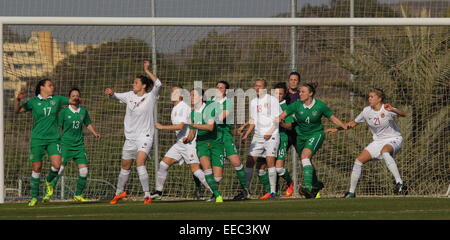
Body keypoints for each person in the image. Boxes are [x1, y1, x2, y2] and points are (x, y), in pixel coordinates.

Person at [326, 88, 408, 198]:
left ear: (379, 99)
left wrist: (393, 109)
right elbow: (353, 123)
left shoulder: (387, 108)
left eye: (372, 96)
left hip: (394, 139)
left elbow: (404, 114)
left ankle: (399, 183)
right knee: (358, 161)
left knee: (385, 152)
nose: (369, 98)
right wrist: (337, 129)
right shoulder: (366, 111)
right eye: (369, 96)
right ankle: (351, 192)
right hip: (378, 141)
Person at [14, 78, 80, 207]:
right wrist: (18, 99)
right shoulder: (33, 102)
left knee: (57, 165)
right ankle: (34, 197)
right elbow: (18, 111)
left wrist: (76, 99)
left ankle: (49, 182)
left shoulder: (57, 99)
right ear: (42, 87)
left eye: (53, 85)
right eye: (50, 85)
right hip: (37, 139)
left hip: (53, 139)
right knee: (37, 168)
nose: (53, 87)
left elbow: (72, 100)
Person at [104, 61, 161, 205]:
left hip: (145, 137)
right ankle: (119, 193)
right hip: (130, 139)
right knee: (125, 166)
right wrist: (110, 93)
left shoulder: (150, 96)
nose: (133, 84)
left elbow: (159, 84)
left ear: (144, 86)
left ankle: (147, 195)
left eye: (136, 82)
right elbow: (115, 96)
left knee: (140, 162)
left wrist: (147, 70)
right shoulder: (129, 95)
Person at [279, 82, 348, 198]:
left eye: (303, 92)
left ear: (310, 94)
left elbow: (332, 118)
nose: (300, 94)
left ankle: (308, 188)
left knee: (305, 157)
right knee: (306, 161)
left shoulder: (320, 105)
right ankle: (316, 184)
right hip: (300, 137)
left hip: (316, 134)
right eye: (299, 91)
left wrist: (343, 125)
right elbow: (282, 116)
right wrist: (278, 122)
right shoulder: (296, 105)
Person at [150, 86, 212, 200]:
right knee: (163, 164)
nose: (172, 93)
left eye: (176, 91)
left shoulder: (183, 107)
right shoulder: (176, 107)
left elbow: (180, 126)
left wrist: (162, 127)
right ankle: (158, 192)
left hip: (189, 143)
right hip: (179, 143)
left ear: (181, 95)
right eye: (172, 91)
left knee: (196, 170)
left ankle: (214, 191)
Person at [52, 88, 100, 202]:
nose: (75, 97)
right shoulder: (63, 112)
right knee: (59, 170)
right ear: (69, 98)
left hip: (79, 146)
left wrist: (94, 133)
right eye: (73, 95)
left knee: (84, 171)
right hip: (65, 145)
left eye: (77, 95)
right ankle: (48, 193)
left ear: (80, 97)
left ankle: (78, 195)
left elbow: (87, 123)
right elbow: (58, 127)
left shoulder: (83, 111)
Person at [208, 81, 250, 201]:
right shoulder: (210, 101)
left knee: (236, 162)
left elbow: (220, 118)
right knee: (216, 171)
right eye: (217, 87)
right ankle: (215, 193)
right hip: (213, 136)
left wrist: (207, 118)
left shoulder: (228, 103)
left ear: (226, 91)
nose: (219, 89)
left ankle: (245, 190)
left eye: (221, 88)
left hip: (224, 135)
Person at [240, 78, 282, 199]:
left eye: (260, 86)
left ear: (265, 88)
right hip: (258, 136)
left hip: (272, 135)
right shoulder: (253, 102)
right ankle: (245, 191)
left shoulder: (272, 100)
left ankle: (273, 192)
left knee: (270, 162)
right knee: (249, 162)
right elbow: (253, 120)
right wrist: (247, 134)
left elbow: (278, 119)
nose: (257, 88)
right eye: (256, 86)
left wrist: (269, 132)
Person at [183, 88, 224, 203]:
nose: (191, 97)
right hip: (201, 143)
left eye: (193, 95)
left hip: (216, 142)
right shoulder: (192, 113)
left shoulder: (209, 109)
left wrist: (194, 124)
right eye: (190, 95)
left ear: (201, 97)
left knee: (217, 177)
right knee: (206, 169)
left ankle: (214, 193)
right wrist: (188, 139)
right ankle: (217, 196)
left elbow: (210, 127)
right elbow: (192, 133)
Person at [273, 82, 295, 197]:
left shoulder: (287, 108)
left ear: (284, 94)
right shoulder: (268, 106)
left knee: (279, 169)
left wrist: (281, 124)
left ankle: (290, 183)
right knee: (264, 167)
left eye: (280, 94)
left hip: (282, 138)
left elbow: (290, 126)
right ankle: (270, 192)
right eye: (276, 93)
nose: (278, 95)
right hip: (268, 139)